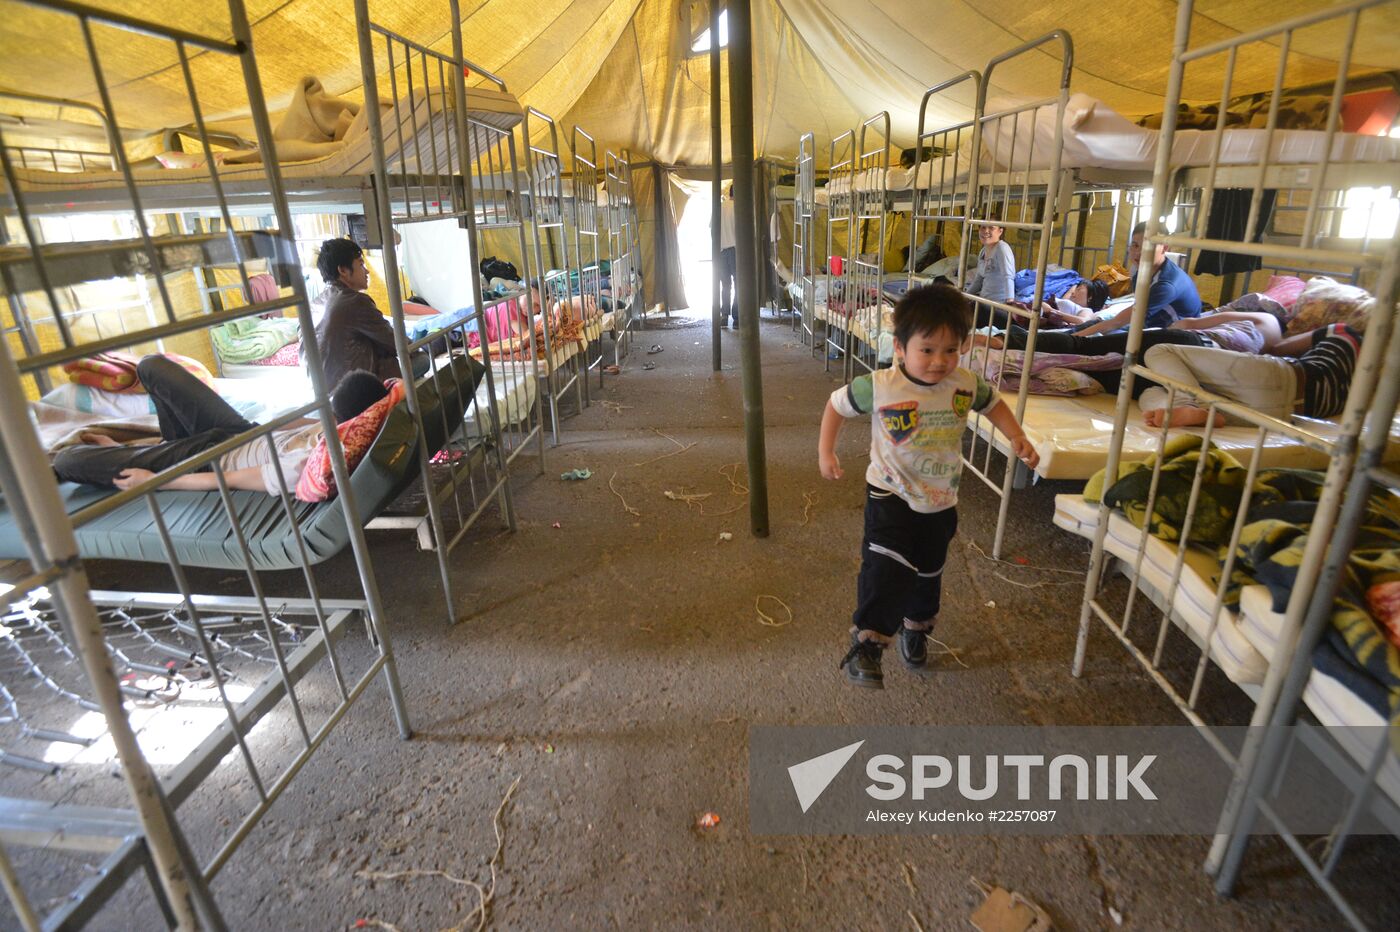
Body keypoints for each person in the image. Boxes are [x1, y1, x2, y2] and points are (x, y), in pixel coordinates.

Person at [817, 284, 1040, 688]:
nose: (940, 361)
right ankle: (868, 643)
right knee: (885, 564)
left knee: (928, 570)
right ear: (900, 347)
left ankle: (916, 627)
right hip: (889, 491)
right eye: (927, 350)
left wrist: (1016, 435)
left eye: (951, 350)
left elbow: (992, 403)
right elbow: (836, 405)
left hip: (940, 499)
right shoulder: (880, 385)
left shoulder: (965, 383)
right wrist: (825, 452)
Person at [52, 355, 390, 494]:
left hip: (212, 457)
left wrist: (155, 481)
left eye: (332, 416)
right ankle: (158, 449)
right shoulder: (335, 424)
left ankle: (151, 455)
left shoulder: (308, 464)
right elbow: (284, 423)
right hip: (239, 431)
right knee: (151, 366)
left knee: (68, 460)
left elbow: (227, 479)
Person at [1139, 323, 1361, 429]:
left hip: (1285, 376)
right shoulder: (1366, 387)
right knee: (1151, 391)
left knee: (1158, 351)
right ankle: (1195, 411)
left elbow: (1277, 347)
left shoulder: (1343, 331)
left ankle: (1186, 405)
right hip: (1282, 415)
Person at [301, 238, 403, 387]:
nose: (367, 271)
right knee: (422, 358)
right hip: (356, 390)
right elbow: (397, 343)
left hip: (323, 392)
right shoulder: (355, 301)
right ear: (343, 270)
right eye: (361, 264)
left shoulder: (311, 306)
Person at [1076, 221, 1202, 336]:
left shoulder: (1166, 285)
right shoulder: (1140, 272)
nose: (1138, 253)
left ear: (1164, 248)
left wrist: (1076, 339)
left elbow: (1117, 322)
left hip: (1175, 334)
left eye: (1147, 247)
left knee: (1103, 335)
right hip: (1150, 324)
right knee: (1095, 324)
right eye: (1135, 245)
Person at [964, 220, 1015, 306]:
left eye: (991, 228)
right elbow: (978, 280)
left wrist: (1010, 303)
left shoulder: (1002, 248)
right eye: (983, 227)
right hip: (984, 301)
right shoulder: (983, 251)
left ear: (1000, 231)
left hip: (999, 304)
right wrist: (964, 296)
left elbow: (1008, 277)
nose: (986, 231)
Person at [717, 184, 737, 328]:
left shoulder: (720, 207)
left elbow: (712, 229)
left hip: (721, 251)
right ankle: (737, 318)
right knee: (739, 285)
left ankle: (724, 316)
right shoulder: (739, 208)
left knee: (725, 285)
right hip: (736, 250)